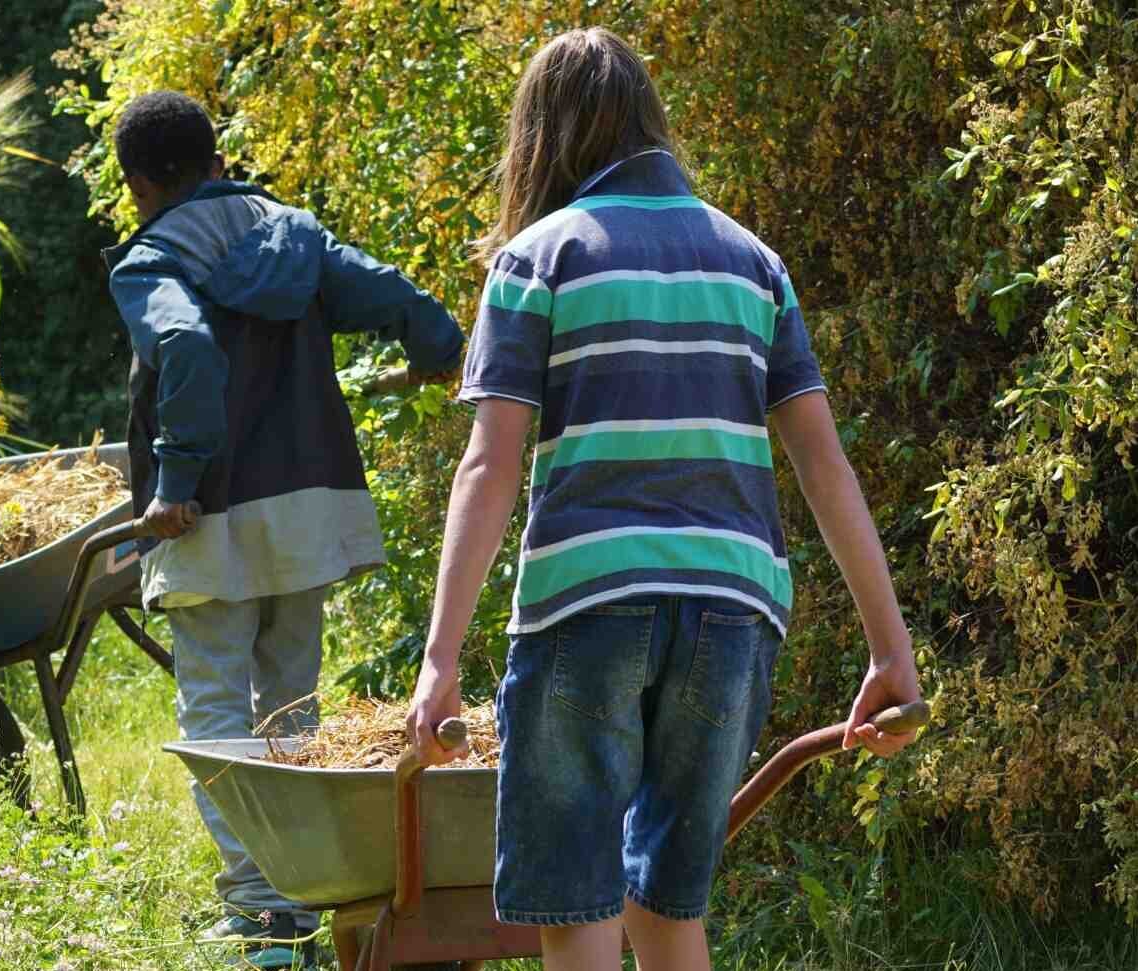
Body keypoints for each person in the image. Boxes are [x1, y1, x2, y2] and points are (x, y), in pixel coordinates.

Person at [404, 27, 923, 971]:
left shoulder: (538, 259)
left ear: (542, 139)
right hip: (732, 614)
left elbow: (490, 466)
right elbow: (823, 462)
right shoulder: (752, 262)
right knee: (668, 907)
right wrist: (892, 647)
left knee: (578, 910)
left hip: (587, 606)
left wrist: (439, 661)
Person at [103, 90, 465, 969]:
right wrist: (440, 352)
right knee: (292, 707)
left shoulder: (149, 260)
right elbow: (393, 292)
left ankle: (262, 909)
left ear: (141, 185)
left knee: (217, 708)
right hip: (308, 503)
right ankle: (301, 887)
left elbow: (184, 350)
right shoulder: (292, 235)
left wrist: (177, 478)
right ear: (219, 160)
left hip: (210, 513)